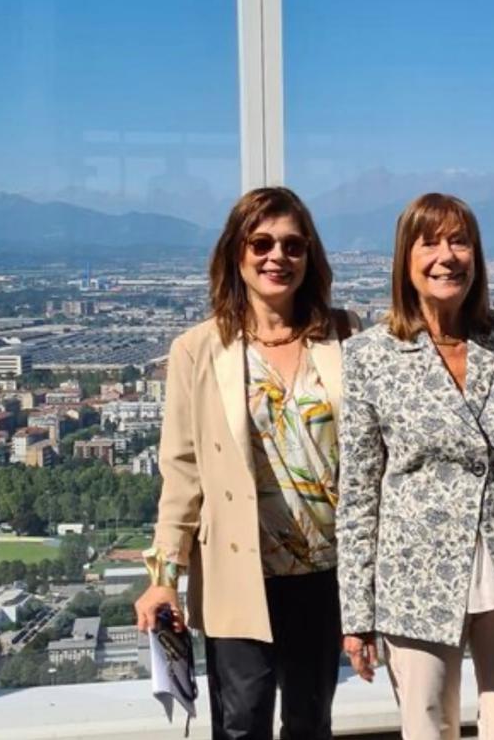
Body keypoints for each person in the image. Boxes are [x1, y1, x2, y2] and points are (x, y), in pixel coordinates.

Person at [133, 187, 360, 740]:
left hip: (325, 572)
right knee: (242, 724)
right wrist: (164, 577)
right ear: (237, 253)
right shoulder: (198, 350)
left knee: (311, 722)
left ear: (311, 256)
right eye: (260, 243)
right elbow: (182, 473)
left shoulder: (344, 334)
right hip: (239, 570)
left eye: (292, 245)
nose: (276, 256)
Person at [336, 192, 494, 740]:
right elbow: (359, 494)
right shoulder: (370, 355)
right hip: (415, 575)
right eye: (430, 242)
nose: (447, 255)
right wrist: (355, 616)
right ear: (404, 259)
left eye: (459, 241)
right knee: (428, 730)